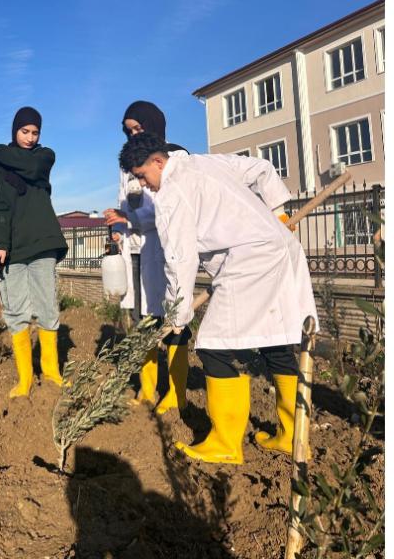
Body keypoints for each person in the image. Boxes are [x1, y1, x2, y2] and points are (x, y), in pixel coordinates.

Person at [118, 132, 313, 464]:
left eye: (142, 176)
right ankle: (293, 438)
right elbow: (262, 168)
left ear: (158, 161)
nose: (144, 185)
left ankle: (225, 444)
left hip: (249, 262)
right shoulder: (205, 163)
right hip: (279, 250)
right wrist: (279, 215)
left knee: (213, 346)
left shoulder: (172, 194)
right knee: (276, 343)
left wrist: (176, 315)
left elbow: (180, 259)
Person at [102, 101, 191, 414]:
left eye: (138, 128)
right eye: (128, 131)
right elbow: (125, 203)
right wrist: (118, 227)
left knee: (174, 319)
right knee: (143, 322)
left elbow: (171, 209)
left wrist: (130, 219)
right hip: (136, 249)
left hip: (165, 249)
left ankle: (176, 392)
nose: (133, 135)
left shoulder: (175, 157)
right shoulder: (126, 166)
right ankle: (147, 387)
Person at [0, 107, 68, 398]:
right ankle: (25, 379)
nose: (30, 138)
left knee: (47, 308)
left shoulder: (44, 157)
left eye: (35, 132)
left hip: (43, 242)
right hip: (11, 248)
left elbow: (31, 168)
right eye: (25, 131)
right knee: (16, 311)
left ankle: (52, 373)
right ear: (15, 130)